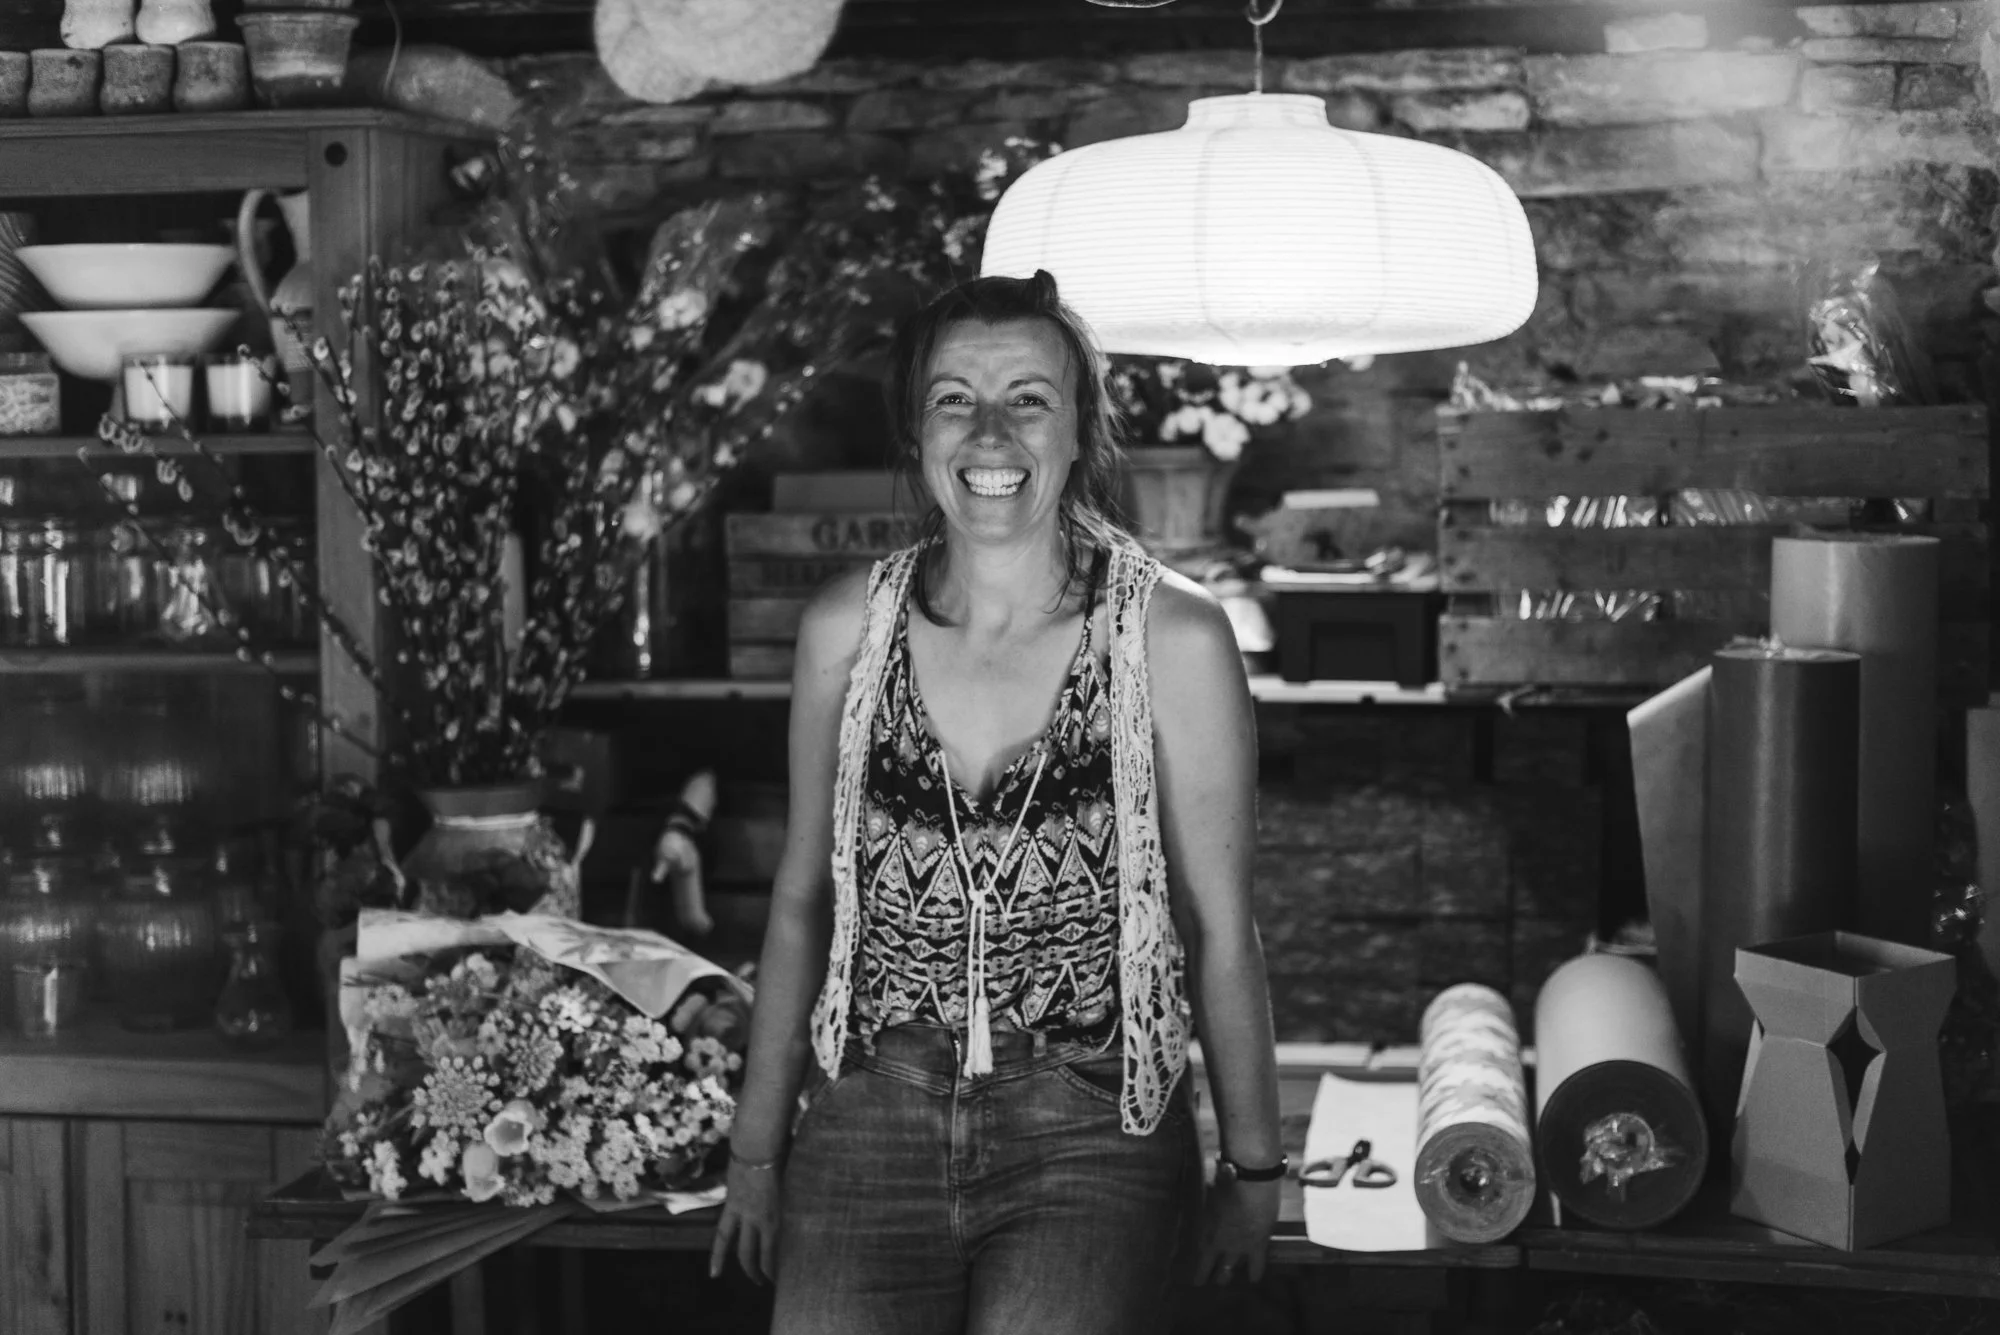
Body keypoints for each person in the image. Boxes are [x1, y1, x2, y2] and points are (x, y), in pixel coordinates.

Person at [709, 270, 1282, 1333]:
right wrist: (754, 1150)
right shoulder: (846, 630)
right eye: (952, 398)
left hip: (1090, 1116)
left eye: (1027, 397)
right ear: (916, 430)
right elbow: (801, 900)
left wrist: (1255, 1172)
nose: (988, 433)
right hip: (869, 1102)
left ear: (1077, 431)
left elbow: (1216, 926)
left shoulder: (1173, 638)